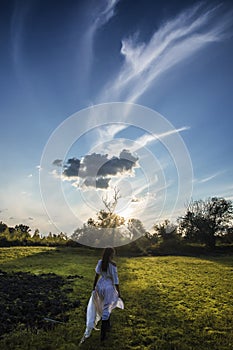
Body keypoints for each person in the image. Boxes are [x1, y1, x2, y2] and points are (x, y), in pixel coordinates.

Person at [81, 247, 124, 344]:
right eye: (113, 253)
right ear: (111, 254)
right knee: (107, 307)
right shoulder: (113, 265)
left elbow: (97, 275)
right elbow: (115, 280)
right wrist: (119, 293)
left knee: (104, 305)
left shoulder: (101, 262)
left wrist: (94, 287)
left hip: (100, 285)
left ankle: (107, 326)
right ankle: (103, 336)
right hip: (108, 287)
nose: (114, 255)